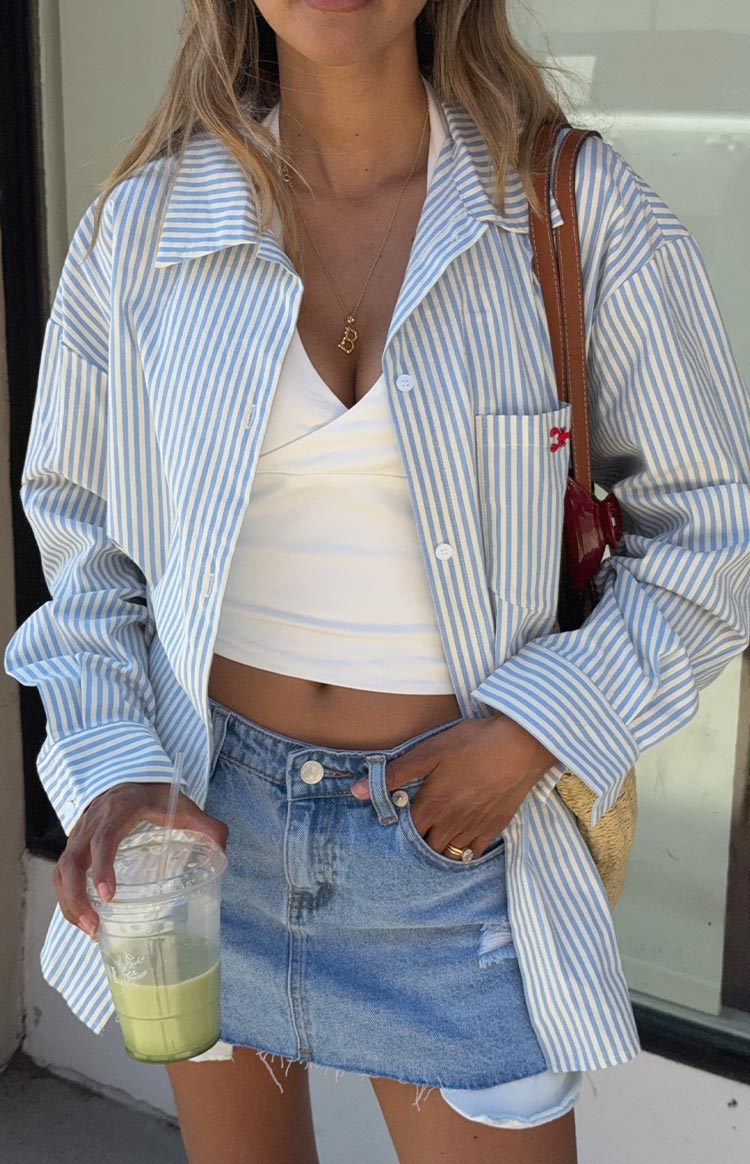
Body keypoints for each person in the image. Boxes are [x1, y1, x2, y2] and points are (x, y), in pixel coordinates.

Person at [5, 1, 750, 1162]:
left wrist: (532, 735)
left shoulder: (574, 214)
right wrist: (114, 767)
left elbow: (714, 536)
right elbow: (81, 538)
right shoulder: (147, 226)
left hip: (455, 846)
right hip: (204, 825)